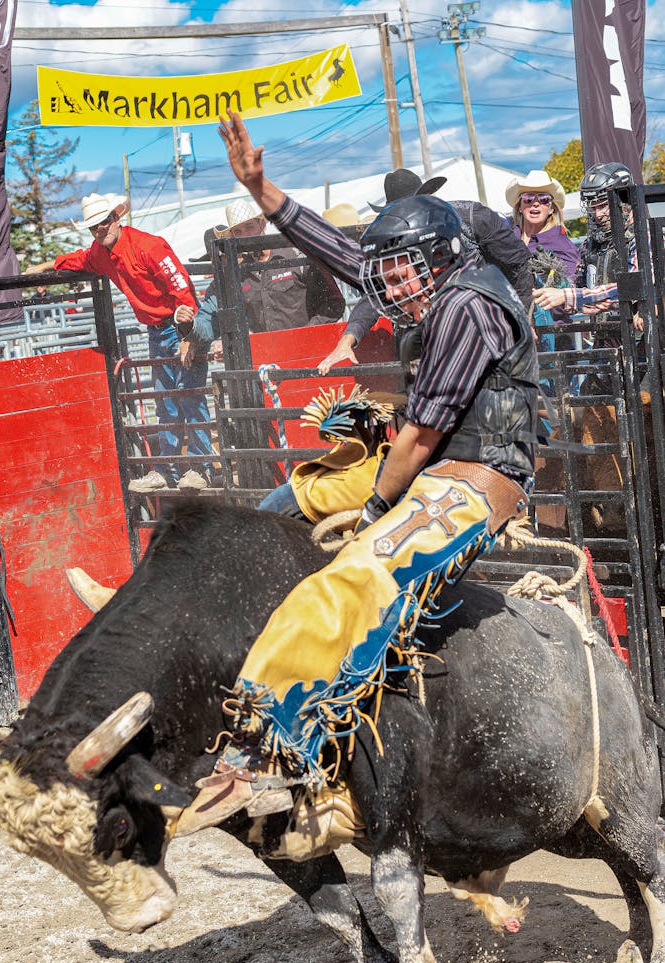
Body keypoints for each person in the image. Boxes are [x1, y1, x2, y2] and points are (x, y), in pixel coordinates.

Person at [184, 113, 537, 830]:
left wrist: (375, 514)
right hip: (437, 463)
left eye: (400, 269)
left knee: (355, 574)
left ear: (438, 257)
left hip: (476, 476)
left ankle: (283, 748)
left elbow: (419, 435)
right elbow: (344, 253)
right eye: (388, 273)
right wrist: (263, 193)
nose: (387, 284)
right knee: (297, 495)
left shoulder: (469, 304)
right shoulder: (435, 283)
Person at [28, 192, 214, 492]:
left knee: (189, 395)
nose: (99, 230)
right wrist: (45, 266)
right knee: (166, 400)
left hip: (179, 324)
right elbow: (79, 259)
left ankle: (201, 468)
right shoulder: (102, 253)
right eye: (93, 227)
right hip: (157, 330)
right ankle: (167, 470)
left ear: (116, 217)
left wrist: (188, 335)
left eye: (102, 222)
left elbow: (181, 287)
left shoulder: (148, 246)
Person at [317, 166, 534, 374]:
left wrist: (521, 317)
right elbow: (380, 291)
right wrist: (348, 338)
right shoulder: (396, 239)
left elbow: (517, 264)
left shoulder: (472, 217)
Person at [179, 198, 345, 368]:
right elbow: (217, 318)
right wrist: (190, 331)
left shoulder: (297, 255)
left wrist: (306, 334)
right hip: (267, 360)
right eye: (238, 232)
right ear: (233, 237)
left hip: (310, 353)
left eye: (249, 227)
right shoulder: (237, 274)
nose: (245, 236)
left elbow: (334, 303)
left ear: (262, 225)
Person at [533, 163, 638, 328]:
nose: (598, 214)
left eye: (603, 205)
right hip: (604, 339)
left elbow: (631, 289)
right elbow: (580, 293)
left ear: (625, 199)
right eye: (592, 206)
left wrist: (568, 296)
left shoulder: (642, 237)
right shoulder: (589, 245)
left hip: (641, 343)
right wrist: (557, 281)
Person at [505, 170, 579, 352]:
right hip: (511, 333)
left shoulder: (562, 244)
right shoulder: (505, 238)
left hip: (553, 334)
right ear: (520, 206)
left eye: (544, 199)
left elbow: (567, 289)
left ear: (552, 208)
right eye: (528, 198)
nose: (535, 203)